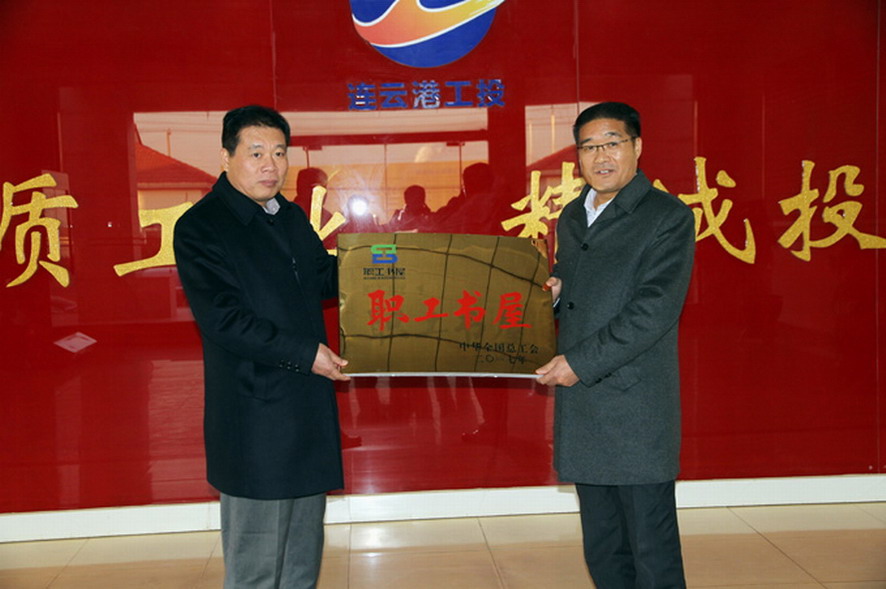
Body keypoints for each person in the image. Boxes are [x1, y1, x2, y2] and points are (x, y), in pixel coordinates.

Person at [173, 105, 350, 589]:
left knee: (302, 556)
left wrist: (387, 261)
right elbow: (224, 320)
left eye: (279, 152)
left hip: (306, 407)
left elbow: (323, 276)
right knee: (256, 564)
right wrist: (307, 353)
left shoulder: (287, 216)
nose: (270, 165)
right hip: (254, 414)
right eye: (256, 153)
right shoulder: (201, 227)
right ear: (226, 156)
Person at [535, 102, 695, 588]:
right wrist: (555, 293)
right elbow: (577, 286)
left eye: (612, 143)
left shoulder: (666, 217)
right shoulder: (572, 216)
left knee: (651, 549)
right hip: (584, 407)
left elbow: (653, 309)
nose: (601, 156)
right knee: (603, 547)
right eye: (589, 147)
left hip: (636, 407)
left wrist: (578, 363)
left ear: (637, 147)